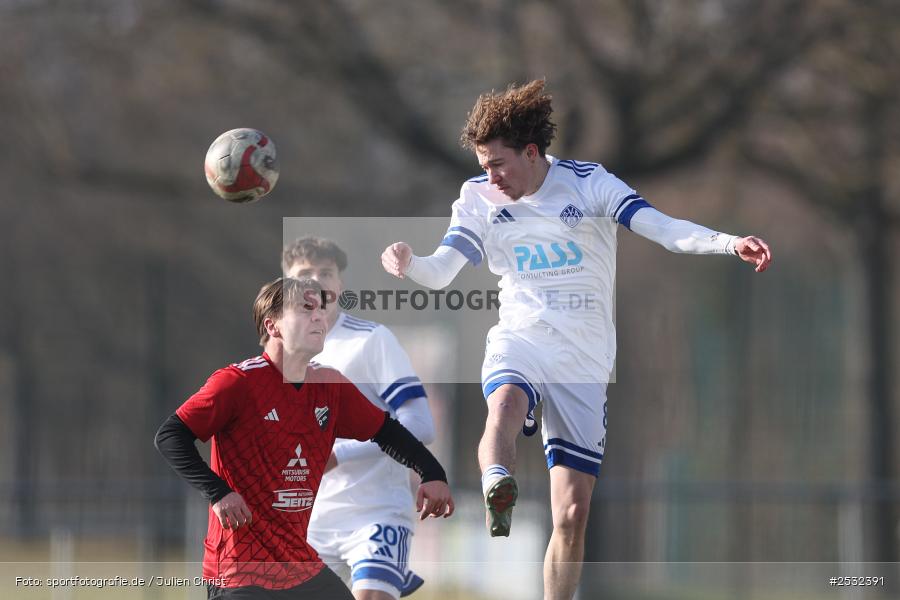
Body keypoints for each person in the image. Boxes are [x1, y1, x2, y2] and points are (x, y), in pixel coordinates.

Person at [380, 80, 772, 600]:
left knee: (572, 512)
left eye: (497, 163)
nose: (489, 176)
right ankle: (499, 482)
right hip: (521, 337)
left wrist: (727, 243)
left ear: (532, 152)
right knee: (504, 404)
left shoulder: (590, 186)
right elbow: (442, 270)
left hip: (584, 358)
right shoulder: (477, 198)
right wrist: (411, 265)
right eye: (482, 165)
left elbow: (661, 228)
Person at [154, 277, 454, 600]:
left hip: (298, 565)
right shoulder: (237, 383)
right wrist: (218, 493)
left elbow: (387, 431)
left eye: (322, 310)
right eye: (306, 309)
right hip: (240, 570)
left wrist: (432, 472)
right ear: (273, 326)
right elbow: (170, 435)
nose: (320, 317)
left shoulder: (329, 386)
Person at [282, 237, 435, 600]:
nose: (317, 282)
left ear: (340, 286)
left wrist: (338, 454)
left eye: (326, 273)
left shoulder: (371, 341)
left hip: (376, 513)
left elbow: (421, 425)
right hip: (310, 519)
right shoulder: (282, 354)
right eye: (305, 274)